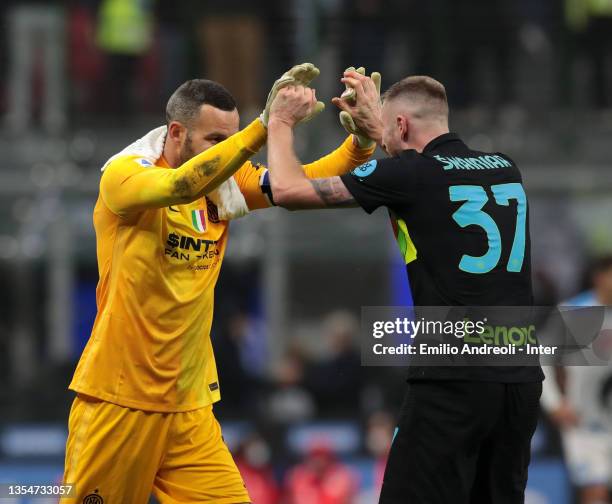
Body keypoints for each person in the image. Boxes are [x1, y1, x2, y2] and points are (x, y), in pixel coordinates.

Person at [61, 64, 375, 503]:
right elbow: (177, 185)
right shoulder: (124, 176)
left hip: (189, 407)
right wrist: (266, 126)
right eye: (215, 141)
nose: (228, 152)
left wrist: (361, 143)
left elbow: (302, 183)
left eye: (230, 140)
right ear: (176, 133)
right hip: (120, 399)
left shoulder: (224, 184)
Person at [265, 73, 544, 503]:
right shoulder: (506, 168)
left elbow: (286, 189)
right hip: (519, 379)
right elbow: (425, 174)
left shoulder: (409, 175)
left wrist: (279, 123)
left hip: (453, 378)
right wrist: (381, 124)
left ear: (401, 126)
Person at [541, 256, 612, 504]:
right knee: (595, 492)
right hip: (584, 423)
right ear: (600, 277)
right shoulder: (574, 312)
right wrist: (554, 404)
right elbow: (542, 357)